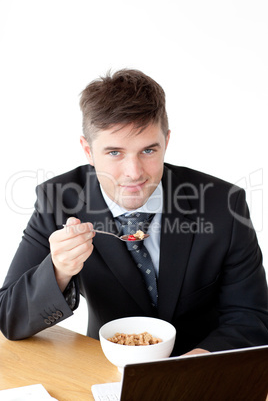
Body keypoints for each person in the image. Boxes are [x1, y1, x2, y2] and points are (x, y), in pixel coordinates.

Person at [0, 69, 267, 357]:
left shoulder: (224, 204)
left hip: (202, 371)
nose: (134, 173)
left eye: (148, 151)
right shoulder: (58, 201)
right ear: (88, 151)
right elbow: (9, 319)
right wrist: (58, 271)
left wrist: (196, 364)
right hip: (105, 371)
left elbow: (252, 318)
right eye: (114, 153)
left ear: (166, 141)